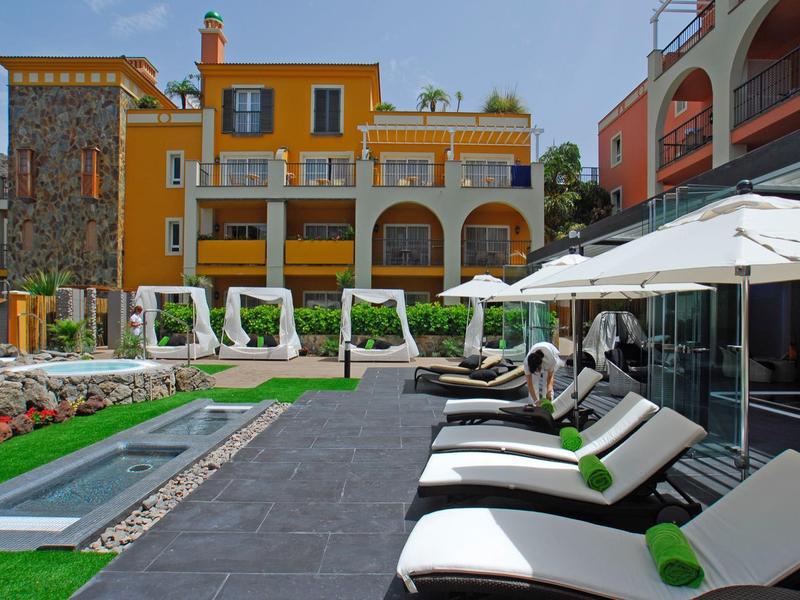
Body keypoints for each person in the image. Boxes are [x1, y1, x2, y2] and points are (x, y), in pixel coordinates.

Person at [523, 341, 564, 406]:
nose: (538, 372)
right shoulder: (526, 363)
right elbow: (530, 384)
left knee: (547, 386)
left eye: (538, 370)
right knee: (534, 383)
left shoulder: (550, 359)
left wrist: (549, 391)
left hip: (550, 352)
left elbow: (550, 378)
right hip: (538, 356)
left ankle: (548, 404)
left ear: (541, 364)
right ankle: (534, 406)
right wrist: (536, 401)